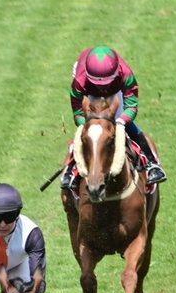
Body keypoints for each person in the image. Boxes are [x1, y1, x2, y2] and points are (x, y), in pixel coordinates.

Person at [60, 46, 167, 189]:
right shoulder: (80, 80)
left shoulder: (126, 74)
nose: (102, 89)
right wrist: (84, 124)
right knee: (89, 133)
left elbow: (131, 106)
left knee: (127, 125)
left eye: (105, 84)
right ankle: (70, 170)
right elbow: (77, 110)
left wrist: (122, 121)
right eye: (99, 85)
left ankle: (152, 164)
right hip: (89, 93)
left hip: (116, 92)